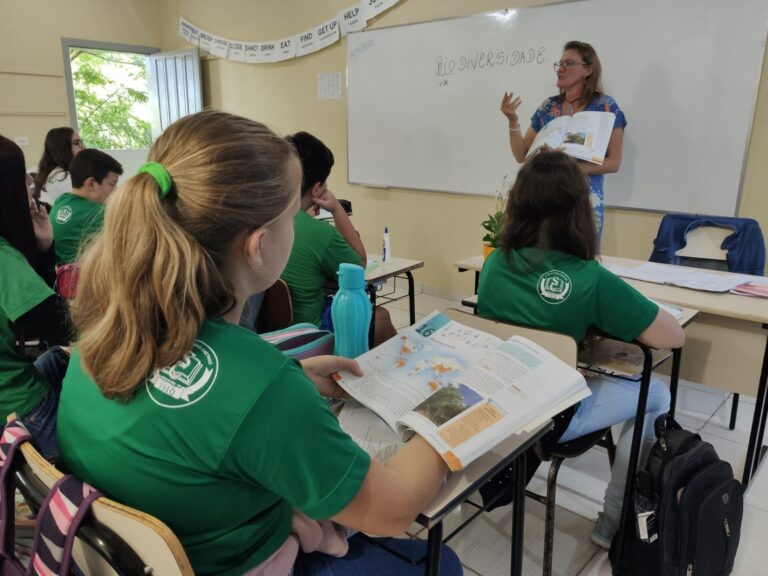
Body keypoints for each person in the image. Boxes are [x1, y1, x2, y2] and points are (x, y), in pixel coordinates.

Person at [56, 111, 462, 576]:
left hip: (145, 555)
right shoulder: (261, 388)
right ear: (260, 244)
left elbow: (193, 411)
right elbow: (393, 512)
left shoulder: (102, 332)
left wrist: (287, 375)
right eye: (293, 217)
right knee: (442, 564)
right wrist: (446, 412)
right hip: (231, 561)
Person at [477, 150, 685, 549]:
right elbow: (672, 337)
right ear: (578, 210)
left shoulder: (495, 264)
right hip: (550, 417)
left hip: (495, 405)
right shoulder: (590, 278)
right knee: (656, 393)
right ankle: (613, 517)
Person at [279, 131, 397, 345]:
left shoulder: (262, 219)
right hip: (307, 335)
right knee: (382, 317)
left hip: (268, 332)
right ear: (316, 188)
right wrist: (336, 209)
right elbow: (359, 267)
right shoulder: (320, 234)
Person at [500, 40, 626, 238]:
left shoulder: (606, 106)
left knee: (579, 259)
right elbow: (521, 155)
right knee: (546, 257)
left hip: (583, 200)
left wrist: (566, 168)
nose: (561, 69)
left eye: (569, 63)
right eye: (559, 64)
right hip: (545, 197)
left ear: (588, 70)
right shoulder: (548, 106)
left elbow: (614, 162)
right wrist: (512, 121)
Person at [0, 135, 69, 459]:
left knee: (56, 359)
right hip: (18, 407)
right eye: (24, 185)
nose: (31, 193)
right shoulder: (3, 261)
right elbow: (63, 327)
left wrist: (43, 249)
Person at [49, 148, 123, 265]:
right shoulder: (96, 213)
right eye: (112, 184)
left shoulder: (60, 201)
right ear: (91, 183)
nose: (116, 190)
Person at [34, 127, 85, 205]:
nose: (83, 147)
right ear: (62, 148)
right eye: (76, 143)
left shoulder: (50, 172)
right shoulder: (66, 177)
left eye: (81, 142)